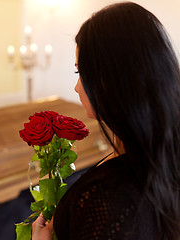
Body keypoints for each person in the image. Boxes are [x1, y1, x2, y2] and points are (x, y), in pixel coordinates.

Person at [32, 2, 180, 240]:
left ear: (111, 79)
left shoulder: (108, 198)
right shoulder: (154, 154)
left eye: (81, 73)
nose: (77, 86)